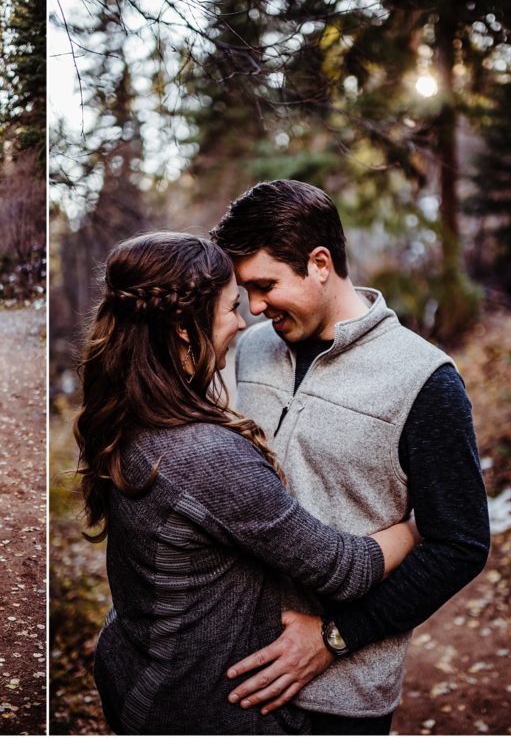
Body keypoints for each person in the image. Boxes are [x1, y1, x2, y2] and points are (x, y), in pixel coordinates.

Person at [76, 231, 421, 734]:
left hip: (138, 671)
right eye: (230, 306)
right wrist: (415, 526)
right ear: (182, 328)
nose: (244, 321)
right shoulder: (204, 454)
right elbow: (342, 568)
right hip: (196, 707)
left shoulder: (132, 413)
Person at [210, 179, 490, 734]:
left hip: (341, 698)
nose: (256, 307)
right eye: (246, 292)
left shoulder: (423, 378)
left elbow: (460, 544)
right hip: (233, 676)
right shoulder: (253, 350)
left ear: (319, 263)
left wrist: (336, 636)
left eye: (265, 285)